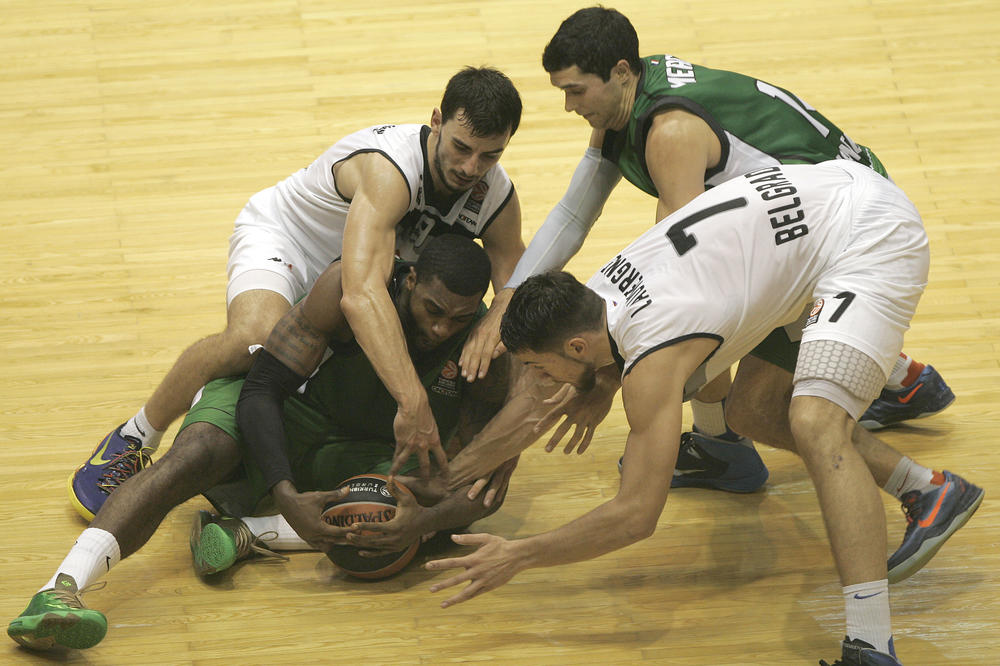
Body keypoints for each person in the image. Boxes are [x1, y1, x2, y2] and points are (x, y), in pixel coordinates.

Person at [425, 162, 984, 666]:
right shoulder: (595, 296)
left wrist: (518, 555)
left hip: (868, 237)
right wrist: (451, 477)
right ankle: (929, 489)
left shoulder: (651, 357)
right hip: (816, 205)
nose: (541, 383)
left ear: (575, 348)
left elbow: (636, 515)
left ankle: (869, 646)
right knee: (756, 410)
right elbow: (616, 366)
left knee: (817, 422)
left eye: (538, 367)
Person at [458, 6, 954, 493]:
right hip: (825, 202)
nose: (569, 106)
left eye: (575, 91)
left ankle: (732, 444)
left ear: (620, 72)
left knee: (720, 358)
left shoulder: (670, 134)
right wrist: (510, 295)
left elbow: (685, 279)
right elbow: (573, 213)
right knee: (707, 319)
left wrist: (607, 381)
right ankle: (899, 379)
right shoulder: (629, 100)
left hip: (846, 223)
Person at [10, 235, 518, 651]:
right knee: (198, 454)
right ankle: (58, 591)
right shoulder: (349, 289)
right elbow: (261, 389)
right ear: (409, 280)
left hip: (363, 451)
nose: (440, 327)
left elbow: (480, 482)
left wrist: (426, 522)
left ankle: (246, 532)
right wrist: (284, 490)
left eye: (458, 317)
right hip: (289, 409)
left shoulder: (486, 352)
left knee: (411, 511)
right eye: (433, 309)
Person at [69, 66, 527, 521]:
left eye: (489, 155)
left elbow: (518, 290)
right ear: (436, 122)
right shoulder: (391, 170)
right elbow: (361, 292)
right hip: (292, 244)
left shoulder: (495, 195)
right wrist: (413, 399)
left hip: (360, 267)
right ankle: (135, 435)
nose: (471, 167)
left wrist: (496, 332)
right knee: (254, 335)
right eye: (461, 148)